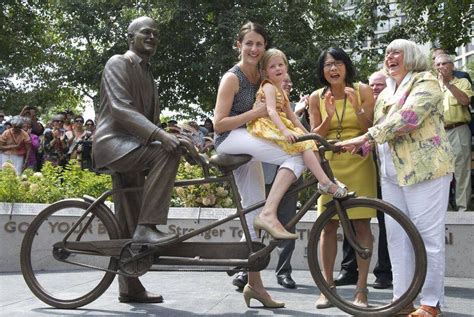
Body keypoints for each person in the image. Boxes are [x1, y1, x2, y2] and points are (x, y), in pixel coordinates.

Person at [338, 39, 454, 317]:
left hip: (426, 172)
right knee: (397, 238)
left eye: (396, 52)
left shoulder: (426, 81)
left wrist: (366, 136)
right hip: (391, 175)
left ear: (412, 56)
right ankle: (402, 300)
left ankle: (430, 303)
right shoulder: (386, 91)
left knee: (427, 238)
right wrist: (361, 145)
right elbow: (381, 129)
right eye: (387, 52)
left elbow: (409, 118)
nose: (389, 56)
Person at [214, 21, 306, 309]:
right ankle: (270, 212)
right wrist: (254, 113)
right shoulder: (234, 77)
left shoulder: (262, 76)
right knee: (296, 155)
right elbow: (218, 124)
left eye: (259, 44)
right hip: (231, 139)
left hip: (248, 142)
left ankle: (255, 287)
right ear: (238, 45)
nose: (254, 48)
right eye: (249, 43)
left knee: (251, 210)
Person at [92, 16, 181, 304]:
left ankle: (129, 286)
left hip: (132, 146)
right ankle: (148, 227)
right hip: (114, 145)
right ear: (131, 37)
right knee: (165, 153)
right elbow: (120, 108)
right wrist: (162, 138)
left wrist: (179, 139)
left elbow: (150, 122)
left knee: (127, 216)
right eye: (146, 32)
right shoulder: (119, 63)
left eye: (156, 33)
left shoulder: (148, 75)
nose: (153, 37)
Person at [308, 47, 377, 308]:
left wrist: (358, 107)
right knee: (327, 225)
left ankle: (361, 290)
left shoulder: (363, 90)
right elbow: (316, 136)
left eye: (338, 63)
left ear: (346, 66)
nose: (333, 69)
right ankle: (327, 288)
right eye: (328, 65)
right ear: (322, 70)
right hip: (329, 165)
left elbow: (371, 129)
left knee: (361, 225)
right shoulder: (316, 97)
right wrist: (326, 113)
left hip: (359, 161)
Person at [247, 48, 347, 198]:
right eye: (272, 66)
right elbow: (271, 111)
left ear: (286, 67)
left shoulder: (281, 90)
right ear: (265, 72)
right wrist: (285, 131)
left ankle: (324, 178)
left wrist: (310, 136)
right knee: (302, 146)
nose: (277, 68)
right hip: (267, 124)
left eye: (280, 65)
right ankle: (325, 182)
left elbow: (293, 118)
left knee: (311, 144)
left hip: (278, 123)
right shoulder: (268, 86)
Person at [232, 73, 300, 291]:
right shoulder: (262, 104)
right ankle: (245, 269)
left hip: (289, 181)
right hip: (265, 174)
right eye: (282, 80)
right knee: (255, 220)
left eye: (289, 82)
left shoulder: (294, 110)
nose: (286, 84)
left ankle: (284, 272)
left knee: (287, 224)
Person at [335, 70, 393, 290]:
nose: (376, 88)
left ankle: (384, 272)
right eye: (373, 85)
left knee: (386, 223)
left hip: (386, 172)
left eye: (380, 84)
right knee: (351, 217)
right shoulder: (361, 100)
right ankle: (349, 269)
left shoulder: (391, 104)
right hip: (361, 166)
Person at [434, 53, 472, 212]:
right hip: (438, 133)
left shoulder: (462, 82)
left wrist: (448, 84)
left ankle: (463, 210)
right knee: (439, 172)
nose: (441, 67)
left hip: (458, 129)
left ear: (452, 66)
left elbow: (465, 101)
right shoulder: (431, 85)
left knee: (461, 171)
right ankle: (445, 209)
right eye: (437, 65)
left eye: (444, 64)